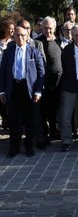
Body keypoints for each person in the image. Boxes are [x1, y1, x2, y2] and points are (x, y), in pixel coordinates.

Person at [0, 26, 45, 158]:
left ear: (27, 36)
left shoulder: (34, 52)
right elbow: (2, 73)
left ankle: (29, 146)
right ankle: (14, 147)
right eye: (17, 35)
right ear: (13, 36)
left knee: (30, 120)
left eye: (23, 35)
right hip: (13, 88)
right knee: (14, 120)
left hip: (29, 89)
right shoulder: (8, 52)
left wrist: (38, 91)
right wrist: (1, 91)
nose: (20, 38)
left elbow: (41, 72)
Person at [36, 17, 63, 143]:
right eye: (45, 28)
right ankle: (43, 135)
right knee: (43, 111)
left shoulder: (58, 41)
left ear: (54, 28)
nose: (48, 30)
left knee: (54, 109)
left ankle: (53, 131)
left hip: (57, 83)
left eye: (50, 28)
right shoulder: (37, 42)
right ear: (41, 28)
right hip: (43, 83)